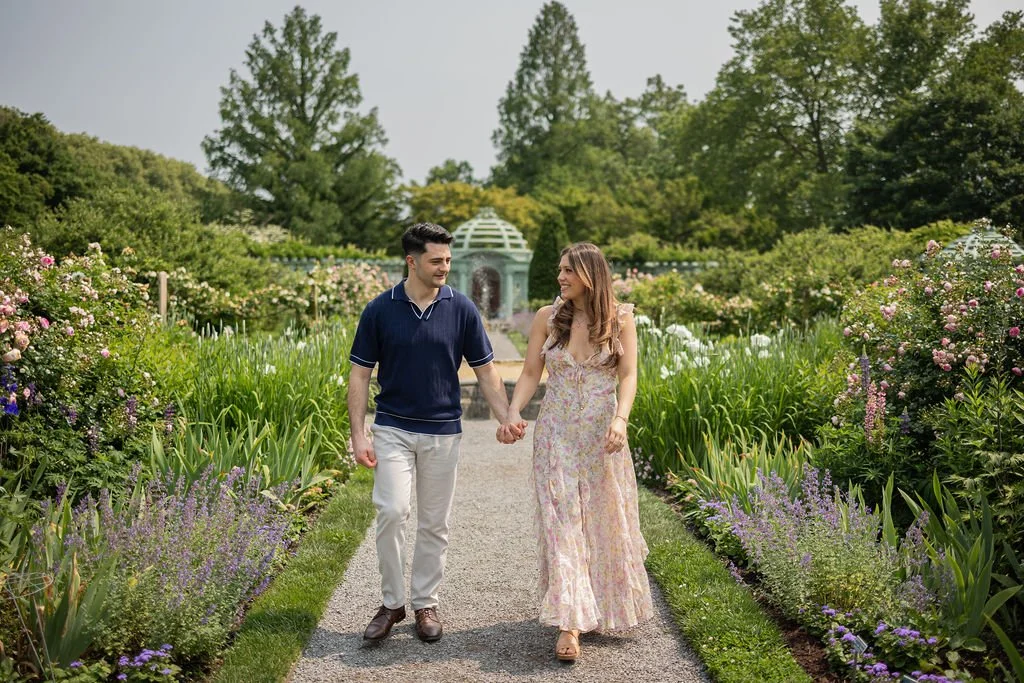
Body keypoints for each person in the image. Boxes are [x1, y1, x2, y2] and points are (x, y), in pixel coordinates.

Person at [348, 222, 521, 644]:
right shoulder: (378, 309)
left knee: (434, 523)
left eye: (447, 259)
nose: (445, 266)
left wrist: (504, 416)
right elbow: (359, 375)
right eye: (436, 260)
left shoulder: (461, 308)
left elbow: (486, 371)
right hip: (392, 427)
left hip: (444, 432)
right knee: (391, 511)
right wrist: (358, 434)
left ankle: (425, 602)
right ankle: (391, 603)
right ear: (412, 261)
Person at [498, 242, 654, 662]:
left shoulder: (621, 319)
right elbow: (531, 372)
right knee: (562, 524)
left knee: (603, 524)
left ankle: (596, 607)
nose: (561, 277)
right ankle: (569, 624)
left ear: (591, 273)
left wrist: (621, 420)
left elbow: (629, 375)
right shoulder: (547, 318)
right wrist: (513, 410)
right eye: (560, 270)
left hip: (602, 438)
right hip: (556, 436)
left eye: (569, 270)